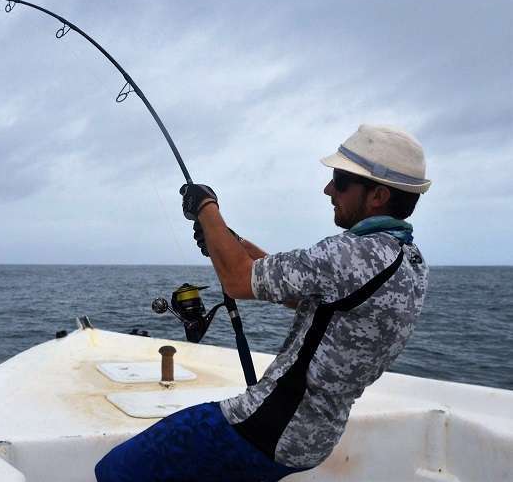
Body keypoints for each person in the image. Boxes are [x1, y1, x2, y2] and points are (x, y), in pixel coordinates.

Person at [95, 124, 431, 481]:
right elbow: (301, 294)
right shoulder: (410, 261)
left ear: (378, 196)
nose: (328, 189)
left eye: (340, 180)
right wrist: (228, 240)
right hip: (315, 438)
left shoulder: (350, 254)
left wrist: (206, 207)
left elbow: (240, 280)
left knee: (117, 470)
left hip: (268, 429)